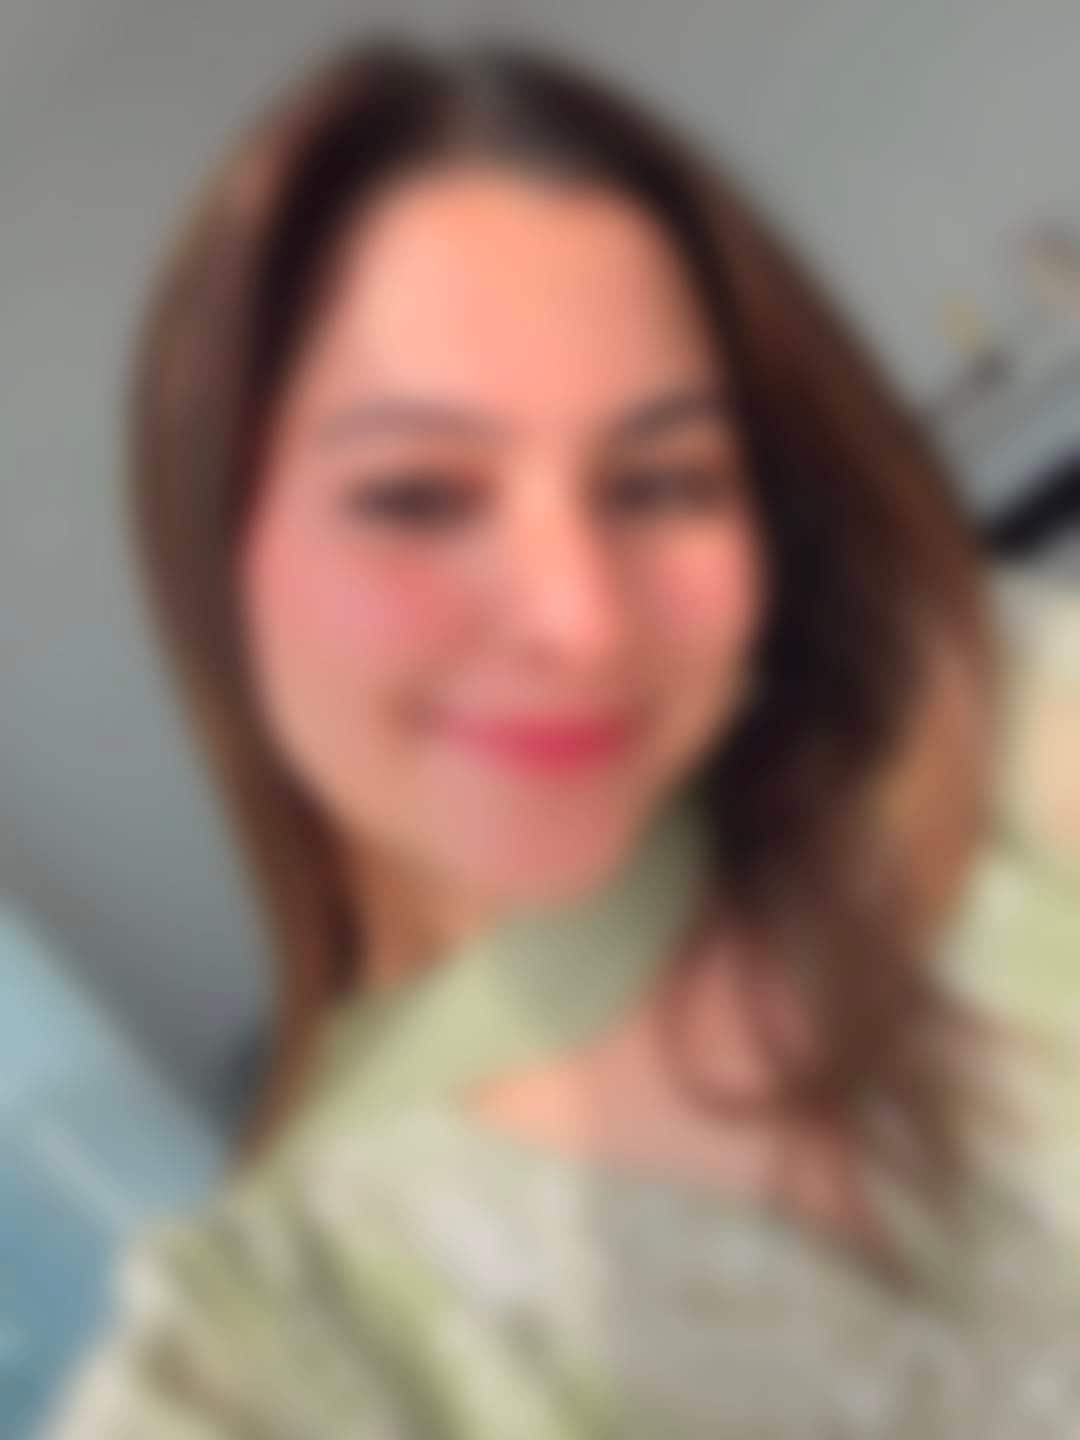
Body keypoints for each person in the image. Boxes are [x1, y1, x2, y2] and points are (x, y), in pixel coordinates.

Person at [45, 33, 1080, 1438]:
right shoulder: (283, 1334)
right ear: (224, 574)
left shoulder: (994, 724)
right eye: (417, 496)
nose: (580, 619)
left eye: (660, 480)